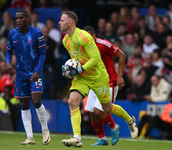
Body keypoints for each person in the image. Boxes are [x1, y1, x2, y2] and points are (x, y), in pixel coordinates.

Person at [59, 11, 138, 147]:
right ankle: (77, 137)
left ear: (70, 22)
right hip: (82, 77)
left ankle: (129, 119)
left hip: (98, 77)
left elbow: (95, 59)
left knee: (106, 108)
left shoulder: (84, 37)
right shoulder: (66, 40)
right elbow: (76, 58)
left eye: (62, 20)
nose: (59, 23)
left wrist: (79, 69)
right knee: (72, 101)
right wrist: (72, 69)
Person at [6, 9, 50, 145]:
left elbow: (42, 54)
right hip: (20, 74)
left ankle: (45, 129)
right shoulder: (12, 33)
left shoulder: (36, 33)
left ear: (27, 19)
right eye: (16, 18)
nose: (18, 21)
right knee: (24, 104)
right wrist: (8, 62)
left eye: (21, 18)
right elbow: (8, 51)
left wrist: (37, 70)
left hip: (35, 72)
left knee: (36, 101)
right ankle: (30, 137)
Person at [82, 25, 126, 146]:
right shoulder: (82, 47)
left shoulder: (103, 44)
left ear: (95, 36)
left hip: (109, 82)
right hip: (93, 82)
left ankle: (114, 127)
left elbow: (122, 55)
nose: (88, 39)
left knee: (98, 111)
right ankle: (102, 139)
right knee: (91, 113)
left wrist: (120, 76)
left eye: (90, 36)